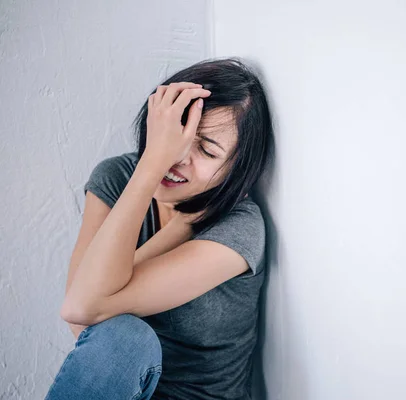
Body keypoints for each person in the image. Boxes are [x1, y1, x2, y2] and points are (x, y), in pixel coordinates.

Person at [45, 57, 275, 400]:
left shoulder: (240, 227)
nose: (178, 157)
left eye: (206, 150)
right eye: (176, 135)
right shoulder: (119, 176)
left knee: (125, 334)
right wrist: (174, 214)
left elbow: (85, 306)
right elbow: (79, 314)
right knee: (123, 336)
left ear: (236, 171)